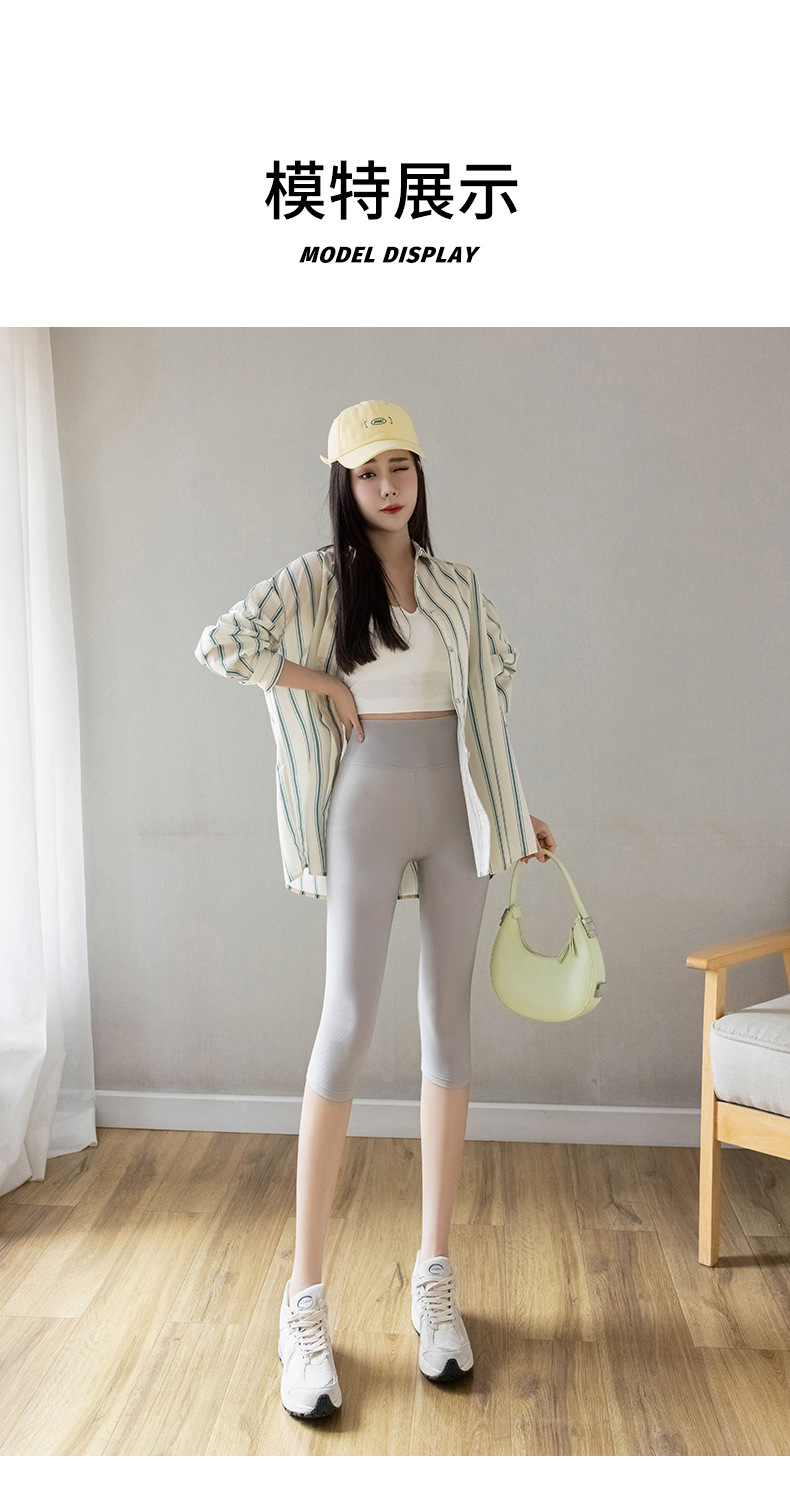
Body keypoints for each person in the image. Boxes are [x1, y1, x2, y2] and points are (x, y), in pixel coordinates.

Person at [195, 398, 556, 1421]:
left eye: (401, 466)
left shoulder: (458, 585)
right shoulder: (320, 578)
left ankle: (433, 1276)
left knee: (449, 1029)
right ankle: (303, 1301)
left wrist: (513, 806)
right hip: (365, 807)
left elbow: (491, 694)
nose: (388, 486)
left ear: (419, 476)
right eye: (367, 472)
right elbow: (221, 643)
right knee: (346, 1027)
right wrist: (316, 681)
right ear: (343, 484)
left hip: (458, 814)